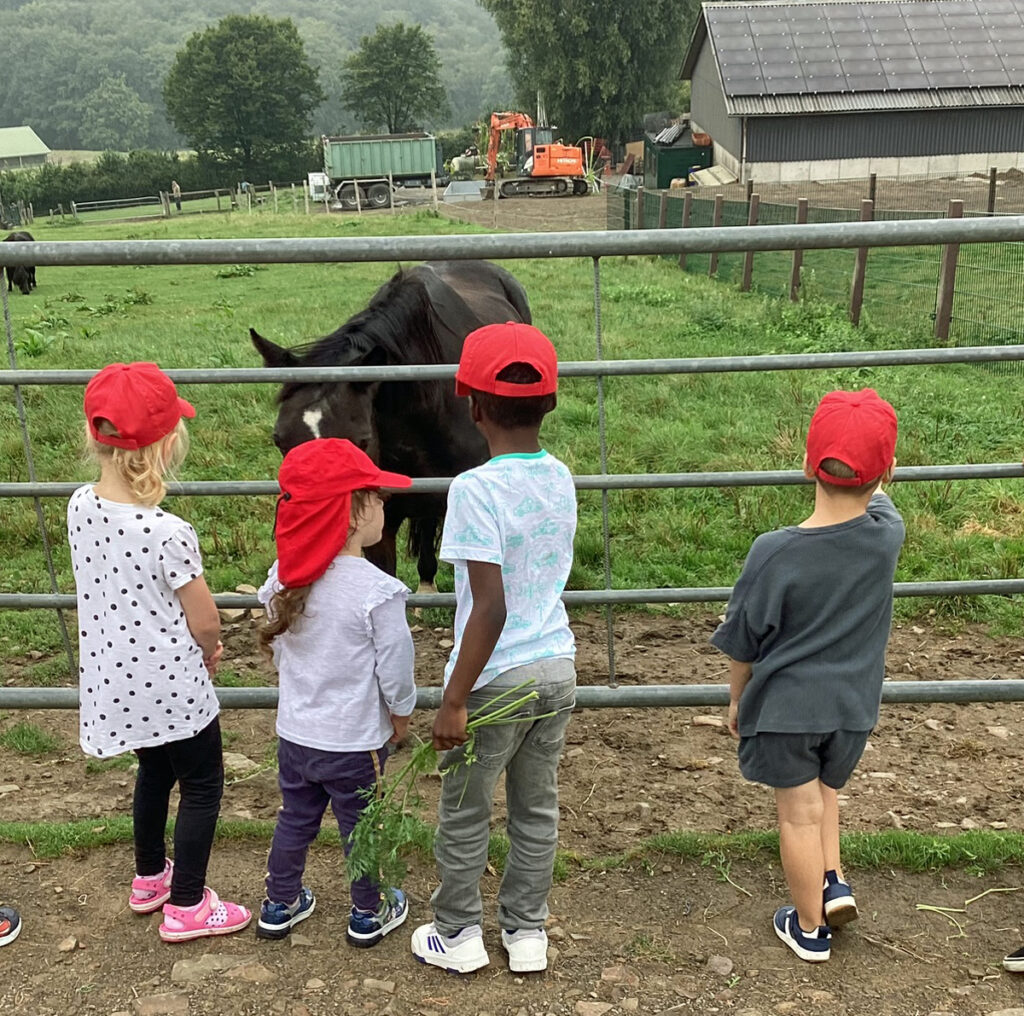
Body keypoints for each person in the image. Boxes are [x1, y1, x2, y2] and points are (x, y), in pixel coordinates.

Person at [710, 389, 904, 963]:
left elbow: (743, 641)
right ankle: (833, 882)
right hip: (851, 710)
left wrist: (736, 700)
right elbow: (881, 498)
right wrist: (872, 461)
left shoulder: (774, 552)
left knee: (797, 814)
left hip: (788, 712)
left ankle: (809, 927)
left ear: (806, 464)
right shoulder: (885, 535)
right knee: (826, 795)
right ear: (888, 470)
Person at [410, 321, 577, 976]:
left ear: (471, 404)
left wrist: (454, 700)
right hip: (557, 669)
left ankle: (457, 934)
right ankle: (527, 932)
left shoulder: (473, 491)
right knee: (535, 806)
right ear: (551, 402)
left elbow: (491, 602)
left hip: (495, 680)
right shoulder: (561, 477)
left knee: (466, 812)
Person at [68, 362, 251, 943]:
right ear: (165, 445)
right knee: (202, 783)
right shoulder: (167, 531)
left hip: (115, 682)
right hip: (173, 683)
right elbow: (204, 618)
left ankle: (149, 876)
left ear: (95, 438)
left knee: (152, 771)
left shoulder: (79, 507)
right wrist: (213, 647)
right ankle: (189, 905)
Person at [256, 438, 417, 945]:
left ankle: (279, 903)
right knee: (361, 827)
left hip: (296, 736)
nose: (384, 502)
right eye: (374, 495)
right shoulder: (376, 590)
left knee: (295, 819)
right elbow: (396, 665)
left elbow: (283, 648)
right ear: (349, 513)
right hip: (353, 742)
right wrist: (403, 712)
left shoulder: (284, 578)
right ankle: (368, 911)